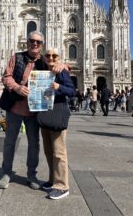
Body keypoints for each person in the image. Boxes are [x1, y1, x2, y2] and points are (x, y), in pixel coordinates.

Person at [0, 31, 65, 190]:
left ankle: (31, 174)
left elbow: (60, 67)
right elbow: (6, 77)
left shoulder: (45, 61)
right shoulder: (16, 57)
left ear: (42, 45)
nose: (34, 44)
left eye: (38, 42)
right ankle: (6, 173)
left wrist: (62, 65)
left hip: (34, 111)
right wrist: (17, 87)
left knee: (34, 144)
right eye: (32, 41)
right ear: (27, 42)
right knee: (9, 142)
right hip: (14, 108)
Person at [39, 48, 75, 200]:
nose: (51, 58)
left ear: (59, 57)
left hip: (57, 113)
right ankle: (53, 179)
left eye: (54, 56)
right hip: (45, 112)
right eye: (48, 55)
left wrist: (59, 87)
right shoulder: (42, 71)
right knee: (48, 150)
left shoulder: (61, 72)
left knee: (59, 152)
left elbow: (72, 91)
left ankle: (62, 186)